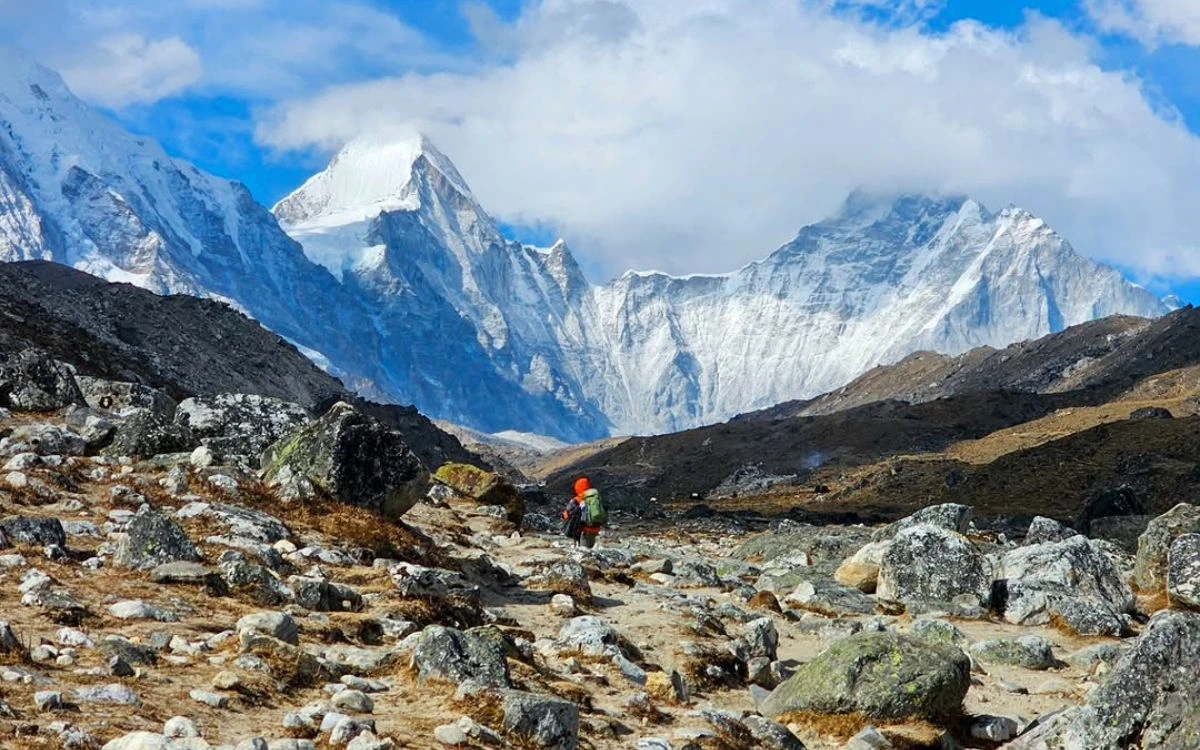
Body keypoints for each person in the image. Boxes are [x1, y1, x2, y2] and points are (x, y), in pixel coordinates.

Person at [562, 476, 605, 549]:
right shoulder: (594, 498)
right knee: (590, 550)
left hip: (582, 530)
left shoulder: (577, 500)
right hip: (594, 530)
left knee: (583, 553)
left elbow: (567, 515)